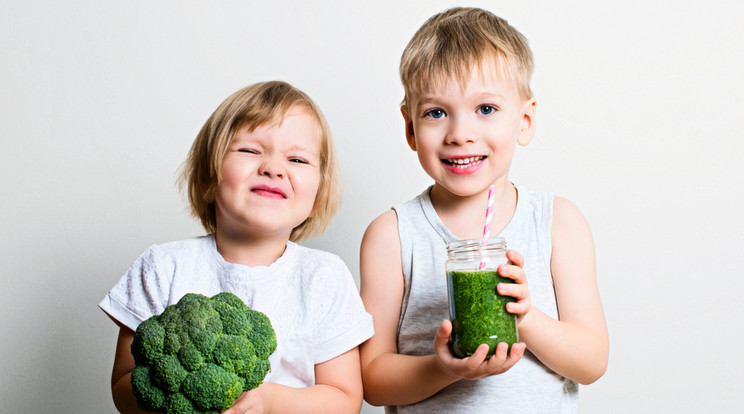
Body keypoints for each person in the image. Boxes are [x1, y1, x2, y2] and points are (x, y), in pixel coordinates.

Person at [359, 7, 608, 413]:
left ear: (524, 120)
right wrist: (446, 369)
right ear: (410, 129)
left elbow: (591, 361)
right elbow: (372, 380)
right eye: (436, 113)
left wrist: (522, 317)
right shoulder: (392, 235)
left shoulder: (558, 223)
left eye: (486, 109)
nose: (460, 134)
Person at [99, 81, 374, 414]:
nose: (273, 168)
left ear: (316, 198)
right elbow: (125, 383)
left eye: (297, 160)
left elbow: (344, 399)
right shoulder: (162, 268)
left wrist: (272, 402)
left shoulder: (324, 278)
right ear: (208, 177)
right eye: (250, 150)